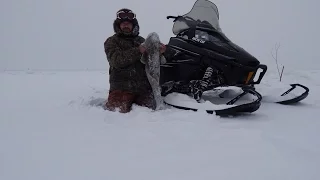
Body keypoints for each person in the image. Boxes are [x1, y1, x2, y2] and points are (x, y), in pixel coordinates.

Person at [103, 8, 166, 113]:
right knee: (116, 113)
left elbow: (151, 63)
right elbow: (117, 61)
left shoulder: (142, 41)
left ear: (133, 25)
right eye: (123, 23)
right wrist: (138, 50)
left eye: (128, 23)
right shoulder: (111, 41)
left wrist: (160, 53)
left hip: (143, 90)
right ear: (118, 25)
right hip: (121, 88)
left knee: (151, 114)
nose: (126, 25)